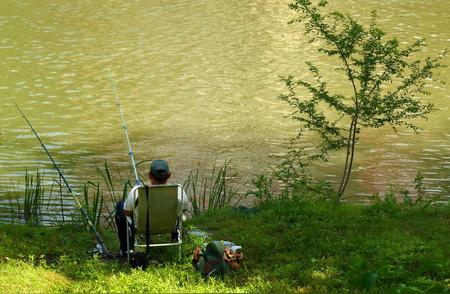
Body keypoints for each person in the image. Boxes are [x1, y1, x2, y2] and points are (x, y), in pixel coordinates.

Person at [115, 159, 190, 256]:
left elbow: (127, 213)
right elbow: (184, 209)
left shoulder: (137, 191)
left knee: (120, 205)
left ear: (150, 175)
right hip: (169, 226)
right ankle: (175, 237)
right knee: (177, 213)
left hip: (142, 227)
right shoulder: (179, 191)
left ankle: (125, 249)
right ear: (169, 175)